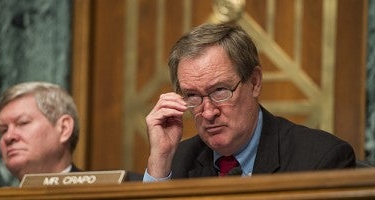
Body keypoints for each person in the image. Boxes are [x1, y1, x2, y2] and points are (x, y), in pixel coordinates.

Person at [143, 23, 356, 181]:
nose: (208, 113)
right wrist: (160, 161)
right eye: (193, 96)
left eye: (220, 91)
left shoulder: (321, 162)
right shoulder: (176, 162)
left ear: (254, 82)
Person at [0, 82, 81, 181]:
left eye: (23, 123)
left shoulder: (97, 193)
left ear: (64, 129)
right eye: (4, 130)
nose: (8, 137)